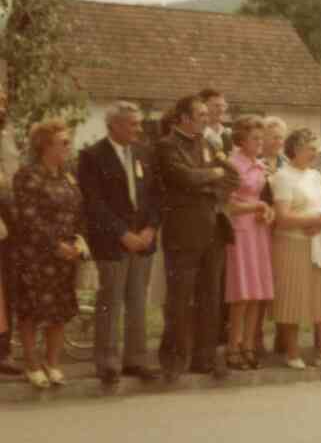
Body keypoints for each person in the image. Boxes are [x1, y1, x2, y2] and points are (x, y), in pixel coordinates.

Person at [156, 93, 241, 380]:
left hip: (213, 230)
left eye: (207, 115)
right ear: (183, 118)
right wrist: (211, 175)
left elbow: (232, 178)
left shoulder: (207, 143)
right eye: (201, 115)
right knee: (180, 299)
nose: (207, 120)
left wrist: (208, 181)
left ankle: (204, 358)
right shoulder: (167, 145)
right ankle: (174, 359)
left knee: (210, 297)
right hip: (183, 232)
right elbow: (182, 177)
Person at [77, 100, 161, 384]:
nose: (138, 128)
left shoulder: (143, 153)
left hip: (143, 240)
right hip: (113, 242)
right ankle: (108, 362)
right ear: (113, 125)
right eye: (132, 123)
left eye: (139, 123)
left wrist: (150, 228)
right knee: (110, 302)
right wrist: (122, 233)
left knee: (138, 301)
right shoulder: (92, 156)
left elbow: (154, 195)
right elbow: (94, 202)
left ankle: (137, 358)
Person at [12, 120, 87, 388]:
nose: (69, 147)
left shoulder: (67, 174)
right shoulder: (27, 175)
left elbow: (78, 210)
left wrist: (78, 241)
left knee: (59, 310)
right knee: (32, 310)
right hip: (36, 254)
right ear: (45, 145)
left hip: (66, 254)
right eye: (63, 142)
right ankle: (31, 364)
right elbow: (28, 217)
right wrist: (55, 245)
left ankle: (53, 363)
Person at [269, 129, 321, 370]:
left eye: (316, 149)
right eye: (310, 148)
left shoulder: (316, 175)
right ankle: (292, 353)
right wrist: (313, 221)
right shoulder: (282, 176)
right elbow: (282, 217)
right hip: (291, 244)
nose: (315, 153)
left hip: (319, 243)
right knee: (292, 298)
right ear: (296, 149)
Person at [223, 115, 275, 370]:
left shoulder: (261, 164)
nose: (260, 142)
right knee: (241, 293)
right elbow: (227, 204)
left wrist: (267, 211)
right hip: (240, 231)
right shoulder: (232, 164)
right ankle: (233, 346)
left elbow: (264, 200)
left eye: (261, 137)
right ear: (241, 139)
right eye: (255, 137)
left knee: (257, 293)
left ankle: (249, 346)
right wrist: (257, 206)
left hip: (258, 230)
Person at [0, 85, 22, 375]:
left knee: (4, 286)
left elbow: (12, 174)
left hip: (6, 213)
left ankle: (2, 352)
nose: (2, 108)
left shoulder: (6, 136)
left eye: (4, 102)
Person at [200, 88, 231, 153]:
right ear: (203, 107)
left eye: (223, 106)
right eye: (216, 106)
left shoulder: (229, 134)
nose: (221, 110)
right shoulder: (198, 134)